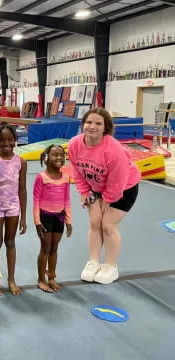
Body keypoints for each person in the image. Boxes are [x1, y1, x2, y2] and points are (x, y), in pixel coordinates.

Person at [68, 108, 141, 284]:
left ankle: (110, 266)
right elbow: (77, 170)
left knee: (108, 224)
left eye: (98, 123)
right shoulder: (75, 144)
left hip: (124, 188)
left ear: (105, 128)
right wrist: (84, 192)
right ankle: (93, 261)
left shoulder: (113, 149)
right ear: (83, 124)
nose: (92, 126)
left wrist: (108, 199)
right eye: (89, 122)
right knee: (94, 222)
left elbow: (118, 179)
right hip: (96, 187)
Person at [0, 123, 27, 296]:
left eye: (10, 140)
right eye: (2, 140)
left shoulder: (21, 161)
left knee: (10, 242)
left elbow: (22, 189)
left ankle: (11, 280)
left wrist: (23, 216)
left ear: (15, 140)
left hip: (13, 207)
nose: (6, 144)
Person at [33, 145, 72, 292]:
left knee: (54, 248)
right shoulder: (41, 177)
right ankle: (41, 279)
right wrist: (37, 221)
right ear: (47, 158)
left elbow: (67, 199)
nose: (59, 158)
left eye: (62, 155)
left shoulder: (66, 177)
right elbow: (36, 200)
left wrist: (68, 219)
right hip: (45, 217)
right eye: (55, 155)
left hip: (59, 217)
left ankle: (51, 277)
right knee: (45, 248)